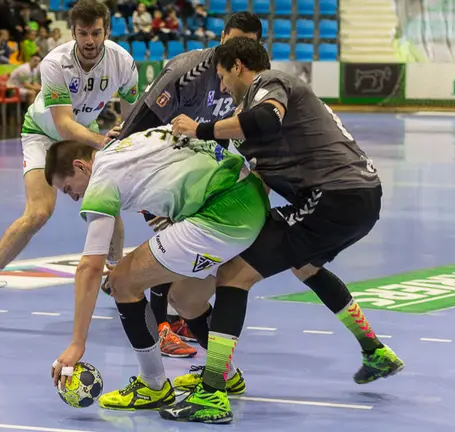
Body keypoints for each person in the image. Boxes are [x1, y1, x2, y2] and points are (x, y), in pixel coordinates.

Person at [163, 37, 405, 422]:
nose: (222, 87)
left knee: (233, 275)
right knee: (305, 265)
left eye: (224, 76)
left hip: (333, 195)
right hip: (356, 196)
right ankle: (374, 350)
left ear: (239, 66)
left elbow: (265, 119)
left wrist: (200, 128)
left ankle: (212, 392)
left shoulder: (269, 83)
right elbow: (262, 174)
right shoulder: (252, 110)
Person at [47, 126, 269, 417]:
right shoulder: (125, 146)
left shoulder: (102, 177)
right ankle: (225, 374)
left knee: (122, 282)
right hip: (250, 197)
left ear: (80, 165)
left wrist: (77, 343)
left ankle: (153, 385)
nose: (74, 197)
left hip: (222, 213)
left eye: (68, 189)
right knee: (185, 300)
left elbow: (89, 267)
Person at [0, 0, 139, 324]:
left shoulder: (124, 63)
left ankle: (115, 276)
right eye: (83, 33)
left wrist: (125, 150)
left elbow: (131, 120)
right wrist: (103, 142)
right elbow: (62, 125)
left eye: (96, 33)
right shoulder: (55, 63)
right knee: (39, 212)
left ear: (107, 31)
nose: (90, 40)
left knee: (108, 203)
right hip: (44, 134)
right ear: (72, 32)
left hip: (83, 137)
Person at [116, 10, 261, 360]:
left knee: (192, 250)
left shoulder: (249, 79)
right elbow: (138, 124)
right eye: (234, 41)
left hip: (201, 174)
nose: (239, 51)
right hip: (162, 170)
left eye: (248, 46)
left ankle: (177, 318)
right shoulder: (187, 71)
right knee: (175, 241)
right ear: (222, 37)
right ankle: (161, 328)